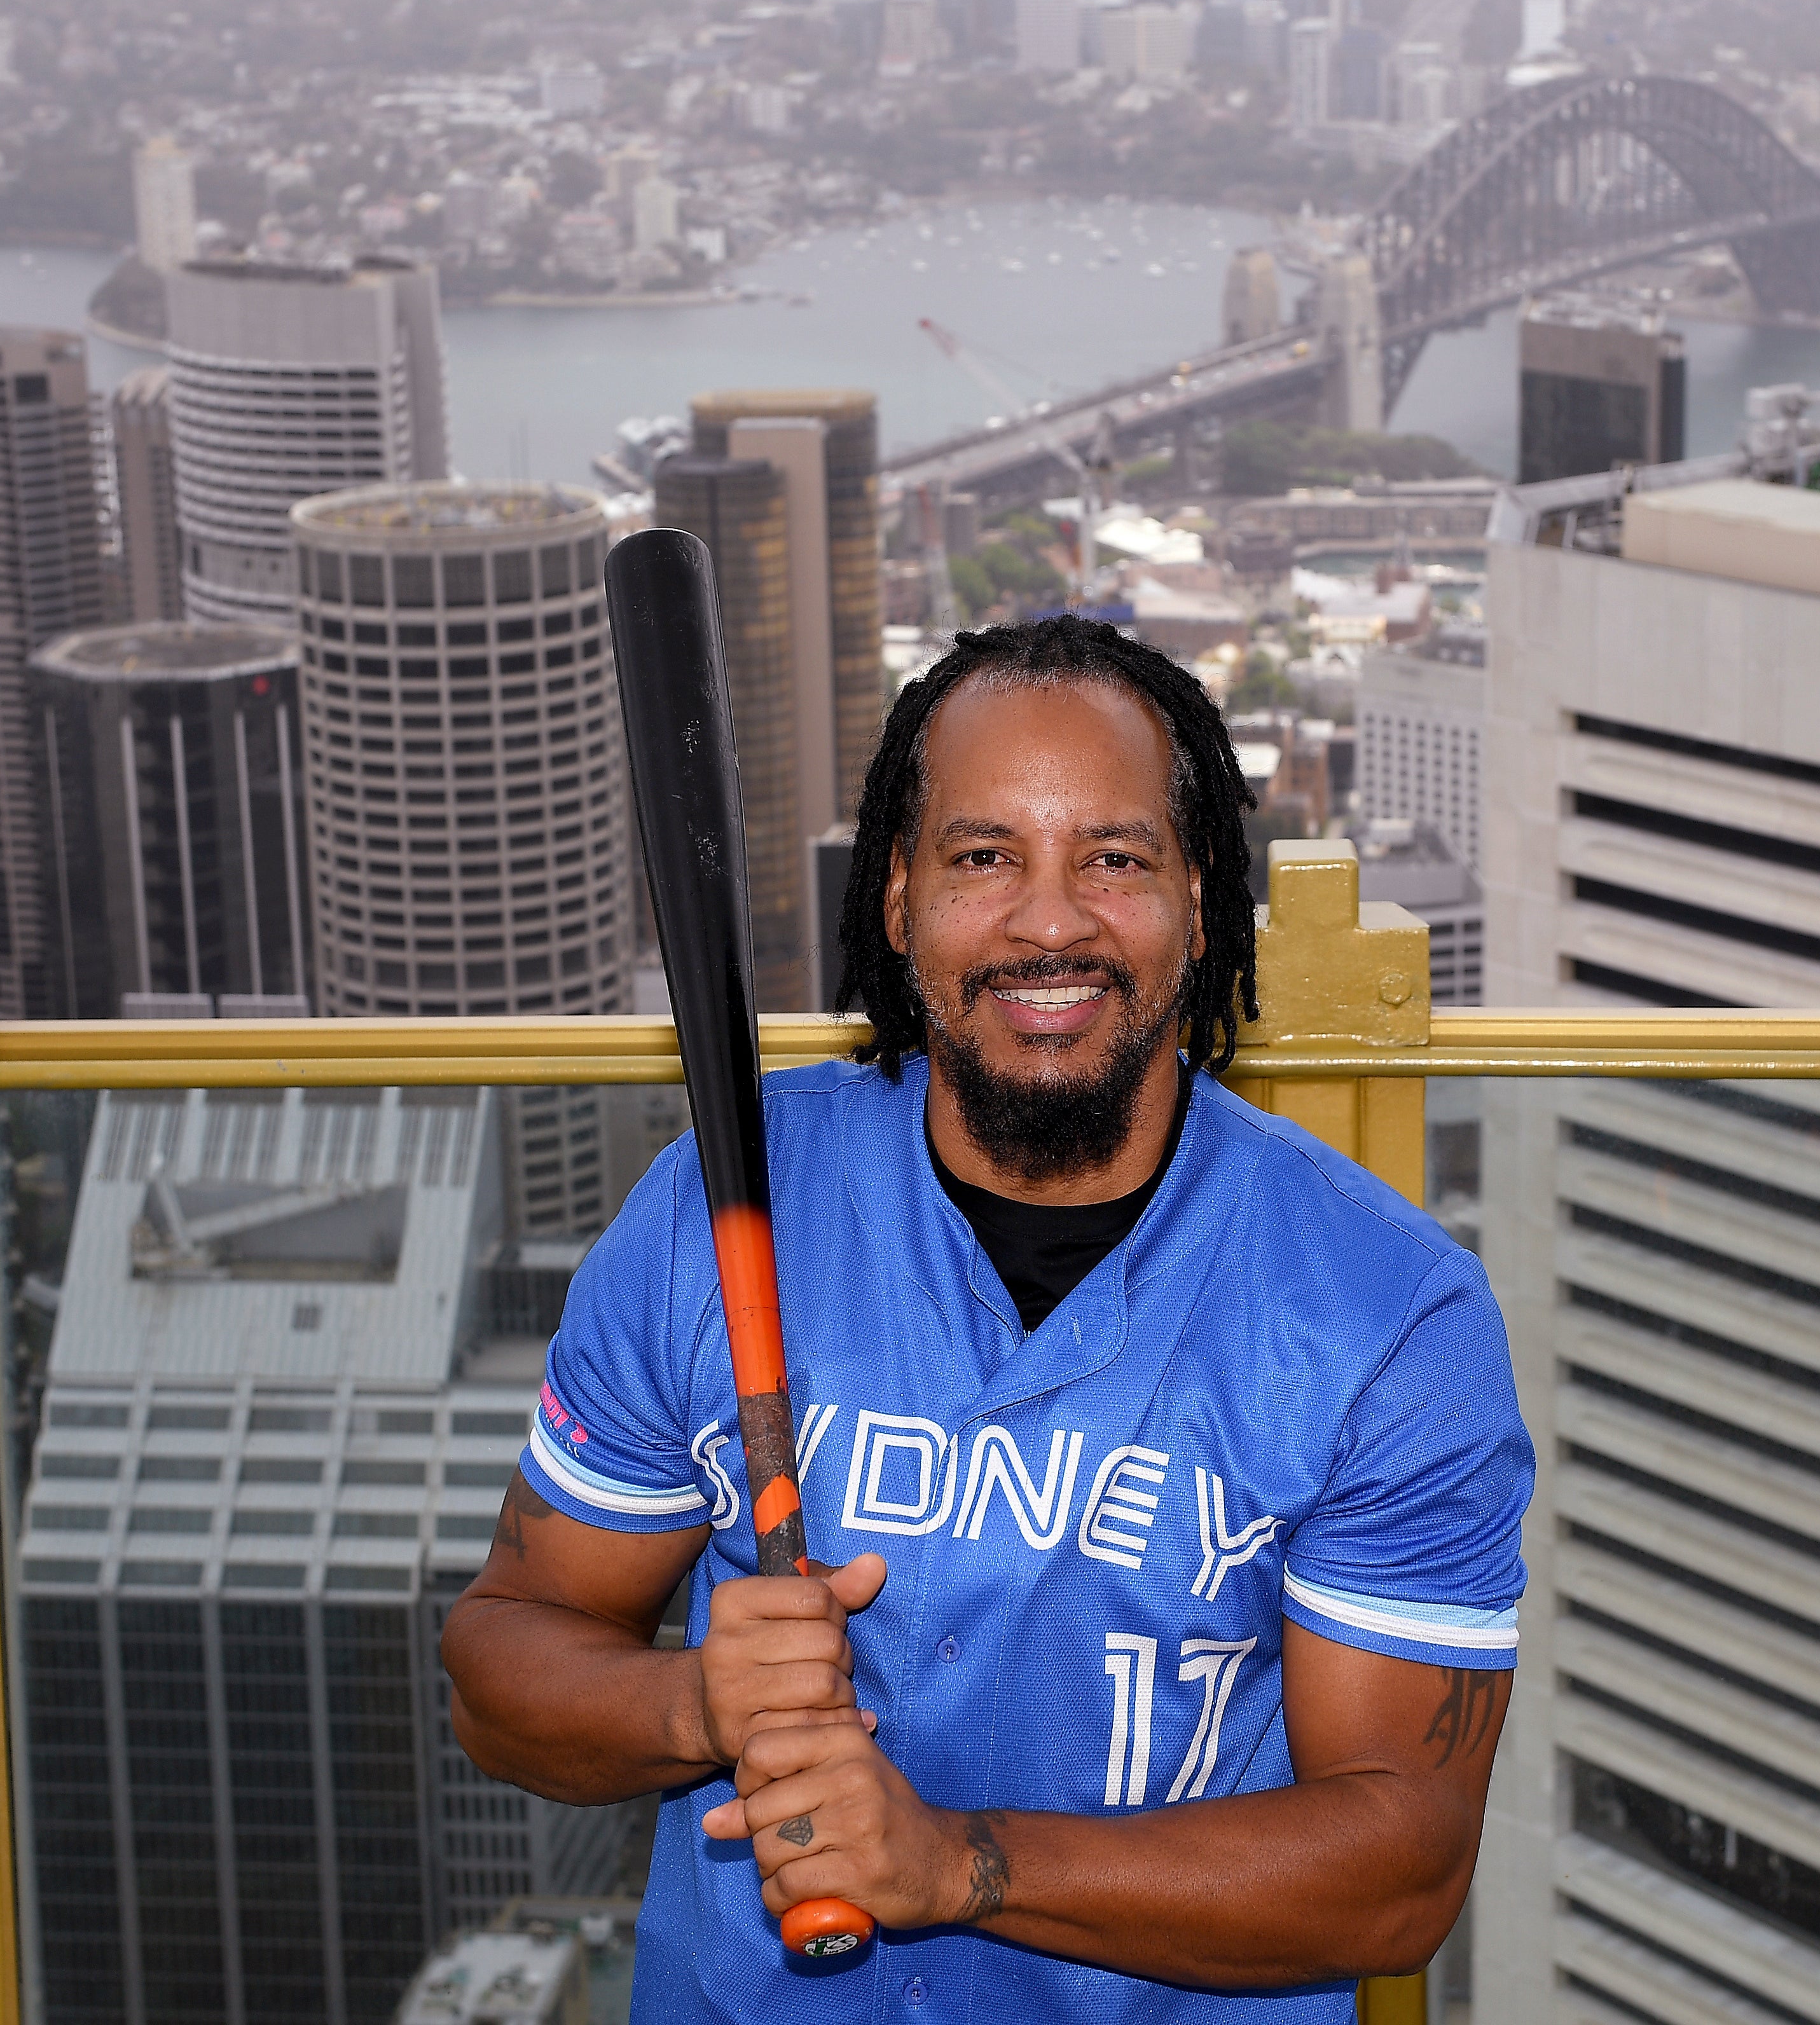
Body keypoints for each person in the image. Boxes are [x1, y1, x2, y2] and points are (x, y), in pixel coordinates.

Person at [444, 615, 1533, 2020]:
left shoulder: (1390, 1316)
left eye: (1115, 858)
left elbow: (1404, 1870)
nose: (1049, 920)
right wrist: (696, 1709)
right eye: (984, 857)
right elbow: (501, 1667)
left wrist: (958, 1864)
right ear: (898, 903)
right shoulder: (716, 1212)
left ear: (1201, 905)